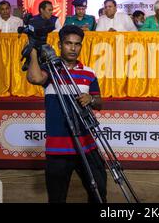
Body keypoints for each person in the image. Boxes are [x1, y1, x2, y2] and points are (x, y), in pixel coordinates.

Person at [26, 25, 107, 203]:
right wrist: (33, 51)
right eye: (68, 43)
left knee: (99, 191)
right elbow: (35, 78)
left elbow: (99, 102)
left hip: (86, 145)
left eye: (77, 44)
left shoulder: (89, 72)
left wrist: (90, 100)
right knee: (57, 198)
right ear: (60, 45)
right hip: (58, 148)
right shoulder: (51, 71)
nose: (73, 48)